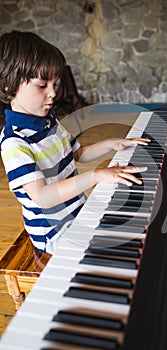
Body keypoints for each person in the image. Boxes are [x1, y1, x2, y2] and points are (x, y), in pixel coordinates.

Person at [0, 31, 150, 254]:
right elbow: (43, 197)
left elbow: (79, 154)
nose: (53, 93)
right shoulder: (14, 142)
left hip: (78, 212)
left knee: (137, 224)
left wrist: (112, 144)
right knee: (118, 252)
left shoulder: (49, 122)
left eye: (55, 84)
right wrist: (96, 176)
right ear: (8, 87)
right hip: (54, 231)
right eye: (42, 85)